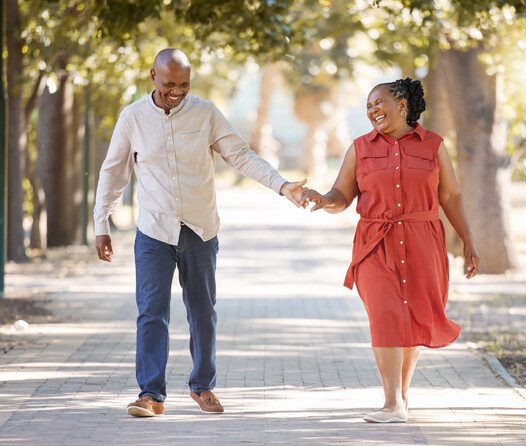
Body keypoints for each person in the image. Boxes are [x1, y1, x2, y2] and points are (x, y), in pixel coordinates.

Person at [94, 48, 306, 417]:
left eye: (183, 84)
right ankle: (151, 394)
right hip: (154, 231)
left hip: (200, 229)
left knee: (203, 312)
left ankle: (203, 386)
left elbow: (240, 155)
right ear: (152, 77)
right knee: (151, 313)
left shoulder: (205, 112)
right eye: (168, 84)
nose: (176, 91)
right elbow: (113, 173)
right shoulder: (133, 118)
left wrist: (282, 185)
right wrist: (102, 224)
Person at [301, 78, 479, 423]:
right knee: (385, 316)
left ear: (402, 104)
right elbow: (341, 194)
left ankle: (401, 398)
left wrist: (469, 242)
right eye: (368, 106)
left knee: (410, 317)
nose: (372, 111)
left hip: (423, 241)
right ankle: (391, 403)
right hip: (375, 243)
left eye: (378, 103)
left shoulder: (433, 145)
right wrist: (323, 201)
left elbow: (451, 197)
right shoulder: (360, 147)